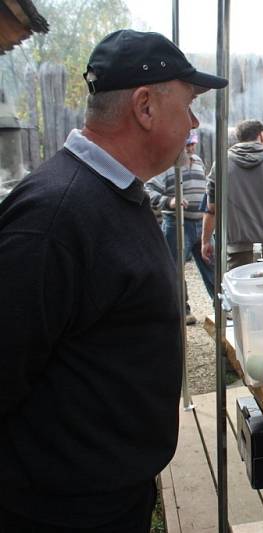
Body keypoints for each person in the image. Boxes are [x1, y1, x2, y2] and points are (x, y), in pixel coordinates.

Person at [0, 29, 226, 531]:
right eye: (188, 105)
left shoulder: (114, 193)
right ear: (145, 107)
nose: (193, 122)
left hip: (107, 497)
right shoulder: (54, 218)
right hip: (61, 512)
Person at [202, 119, 263, 270]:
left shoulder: (220, 164)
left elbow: (212, 207)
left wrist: (205, 241)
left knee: (241, 290)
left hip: (237, 248)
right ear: (262, 135)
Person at [145, 130, 214, 325]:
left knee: (213, 265)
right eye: (187, 144)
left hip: (201, 223)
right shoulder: (167, 165)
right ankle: (182, 309)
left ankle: (221, 307)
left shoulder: (199, 161)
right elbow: (148, 190)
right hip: (177, 224)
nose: (190, 148)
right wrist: (170, 200)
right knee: (175, 269)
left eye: (192, 144)